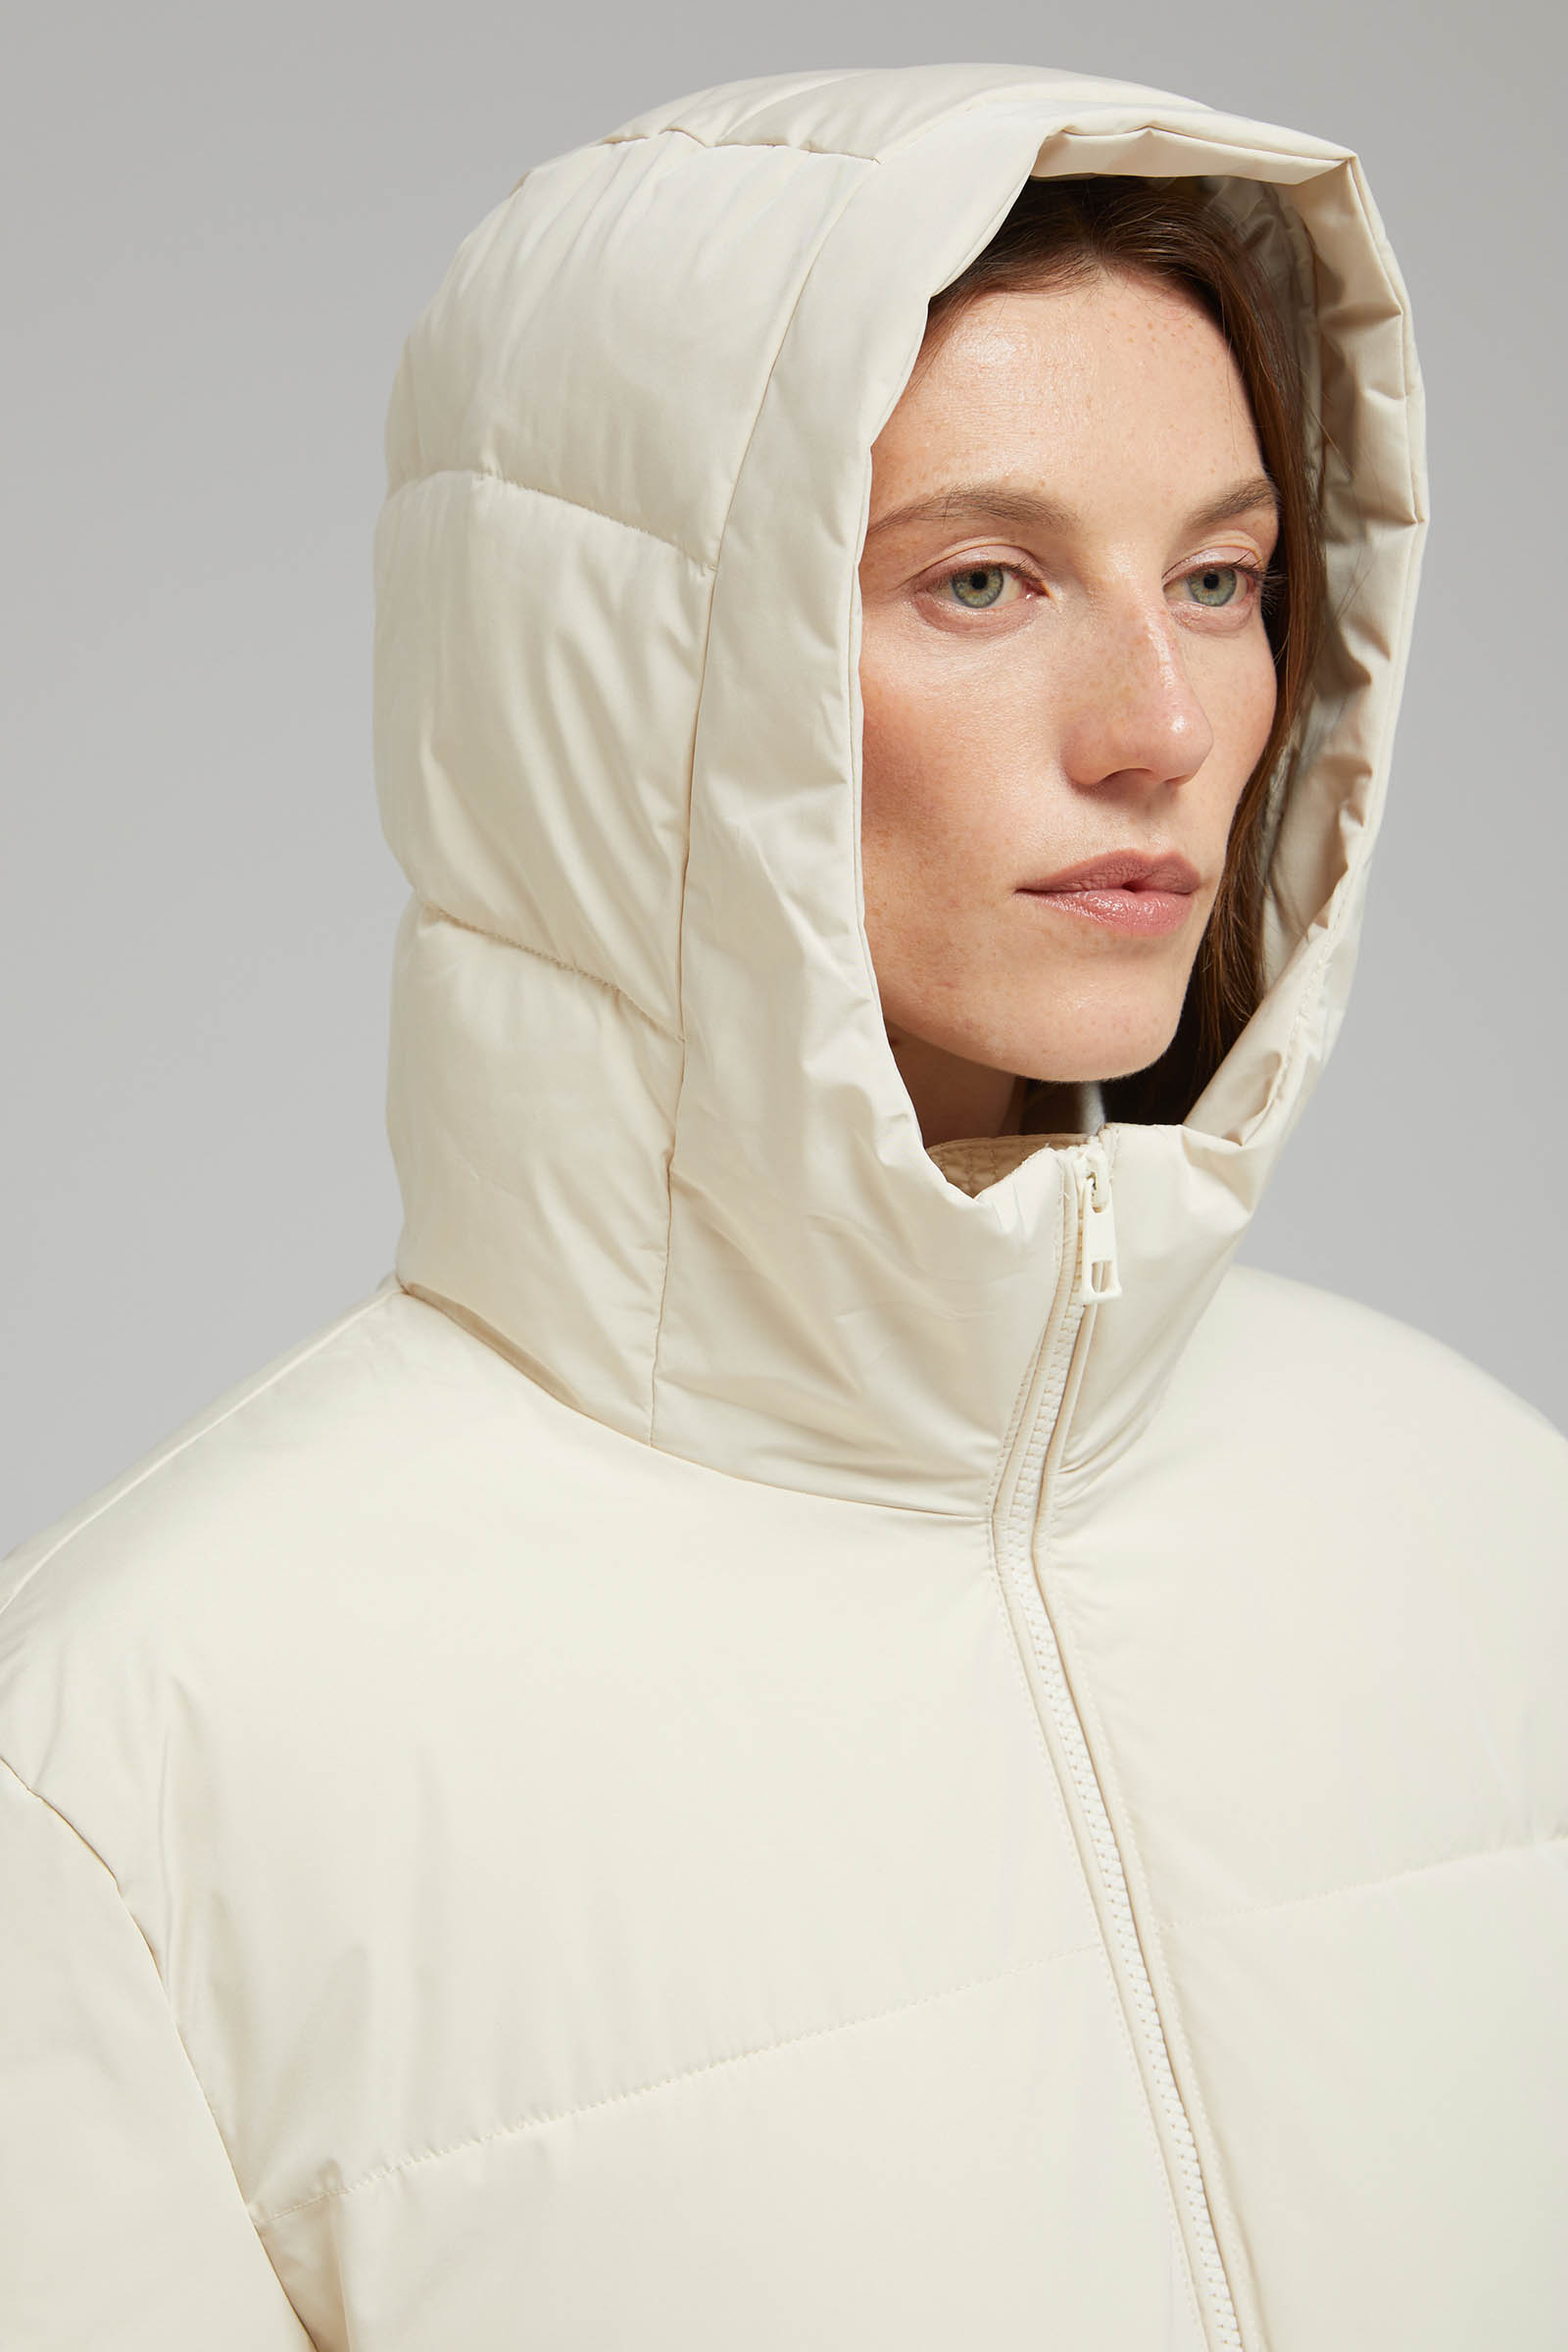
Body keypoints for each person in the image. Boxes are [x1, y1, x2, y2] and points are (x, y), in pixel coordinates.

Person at [1, 61, 1563, 2352]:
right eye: (979, 580)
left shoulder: (1486, 1524)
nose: (1156, 724)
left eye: (1218, 579)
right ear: (624, 688)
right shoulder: (128, 1772)